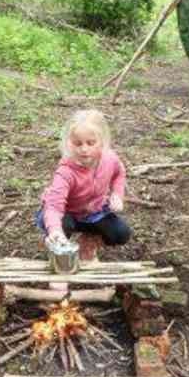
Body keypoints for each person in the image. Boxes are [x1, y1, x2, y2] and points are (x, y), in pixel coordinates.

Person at [37, 109, 131, 273]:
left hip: (94, 212)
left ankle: (88, 240)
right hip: (67, 213)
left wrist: (117, 194)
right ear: (68, 143)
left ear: (101, 142)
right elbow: (54, 206)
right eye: (78, 143)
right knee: (61, 227)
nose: (84, 149)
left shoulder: (110, 159)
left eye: (90, 143)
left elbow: (119, 174)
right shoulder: (66, 172)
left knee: (121, 233)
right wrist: (55, 230)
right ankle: (57, 253)